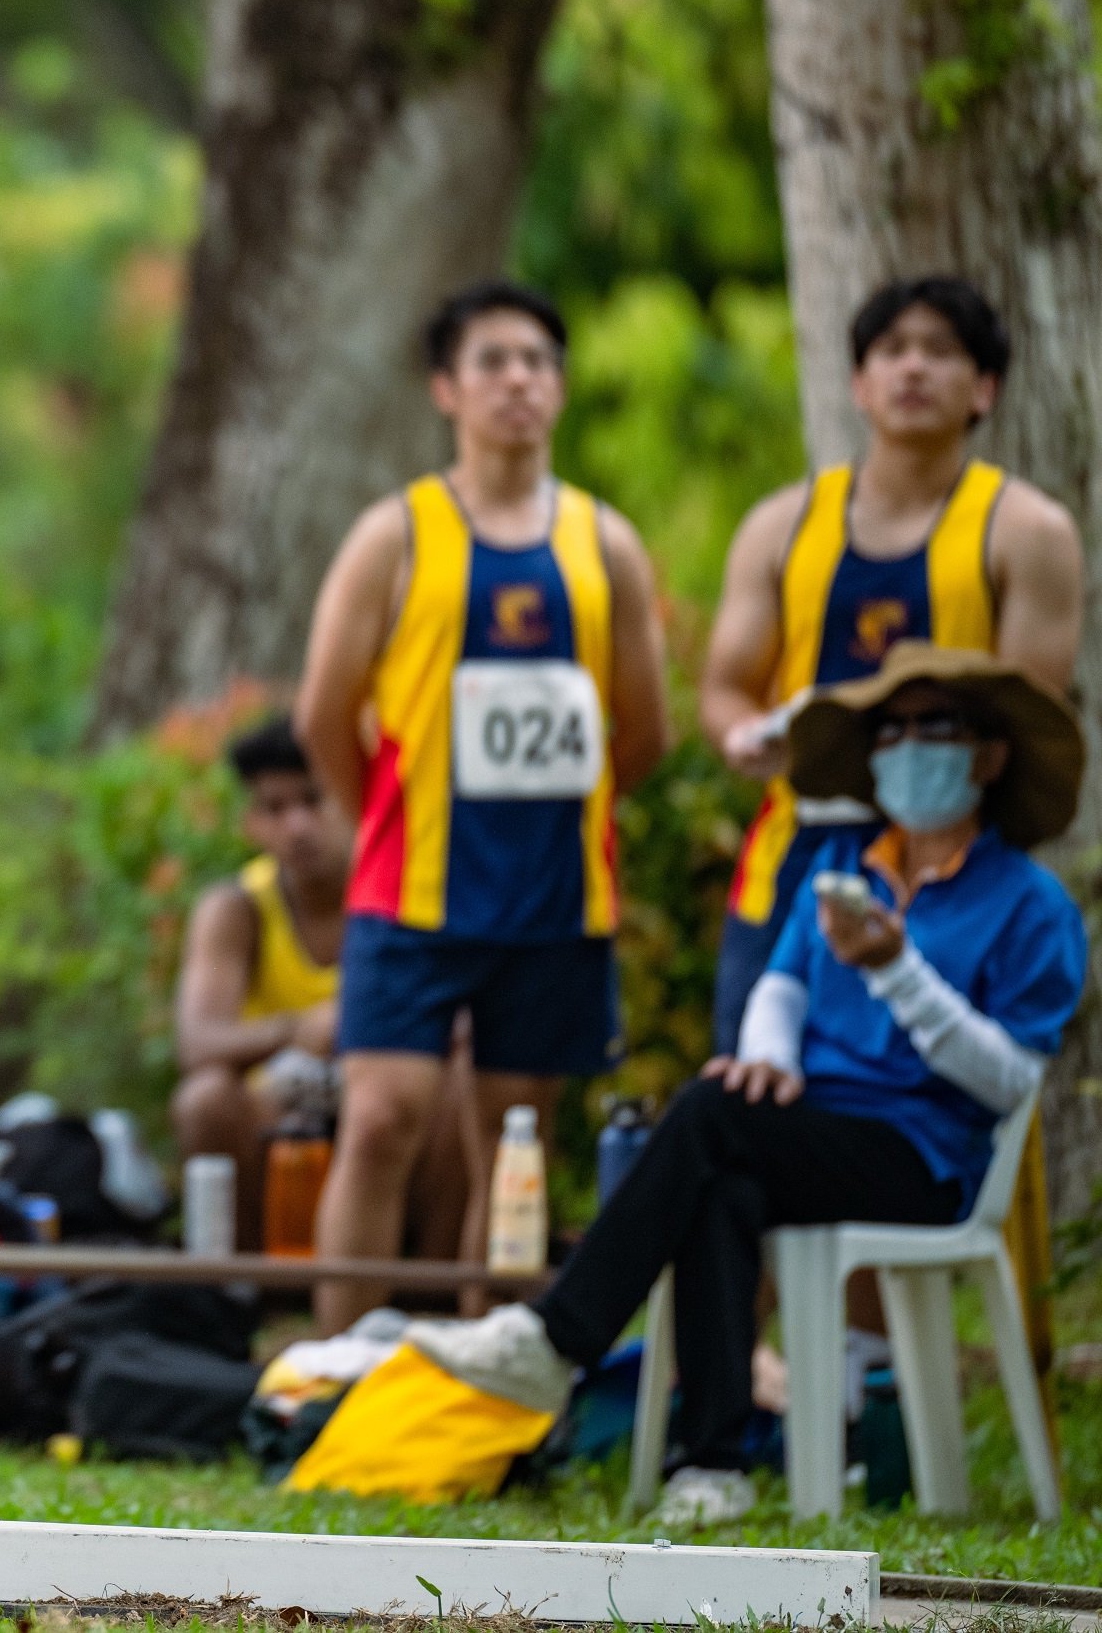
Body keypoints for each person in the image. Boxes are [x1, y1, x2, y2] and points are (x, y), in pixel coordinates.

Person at [416, 645, 1084, 1526]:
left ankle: (559, 1339)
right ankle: (714, 1464)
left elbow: (1009, 1082)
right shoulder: (842, 865)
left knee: (709, 1116)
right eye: (892, 728)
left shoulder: (1030, 902)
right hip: (809, 1126)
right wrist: (770, 1055)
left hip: (925, 1160)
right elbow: (782, 983)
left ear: (990, 756)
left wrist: (898, 972)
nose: (909, 745)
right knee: (722, 1177)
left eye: (937, 726)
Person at [294, 281, 668, 1333]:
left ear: (557, 389)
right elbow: (326, 711)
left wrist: (565, 816)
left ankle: (486, 1370)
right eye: (493, 361)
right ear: (445, 388)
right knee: (378, 1118)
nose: (517, 381)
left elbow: (642, 732)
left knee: (513, 1139)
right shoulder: (394, 534)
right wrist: (388, 811)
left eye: (536, 362)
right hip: (409, 889)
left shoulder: (606, 545)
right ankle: (332, 1373)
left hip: (554, 895)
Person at [700, 276, 1079, 1054]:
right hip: (794, 855)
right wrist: (742, 737)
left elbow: (1029, 717)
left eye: (941, 352)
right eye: (892, 351)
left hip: (951, 869)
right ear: (858, 384)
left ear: (984, 389)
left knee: (916, 1096)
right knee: (751, 1082)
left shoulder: (1026, 531)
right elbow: (723, 690)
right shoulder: (783, 526)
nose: (913, 369)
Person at [172, 716, 472, 1255]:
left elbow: (471, 1018)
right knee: (205, 1099)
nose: (298, 826)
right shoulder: (237, 909)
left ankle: (435, 1285)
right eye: (275, 808)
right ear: (251, 822)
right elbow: (198, 1044)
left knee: (467, 1084)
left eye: (315, 800)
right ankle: (244, 1290)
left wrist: (369, 1031)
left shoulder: (411, 890)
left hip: (396, 1105)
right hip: (283, 1121)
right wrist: (299, 1031)